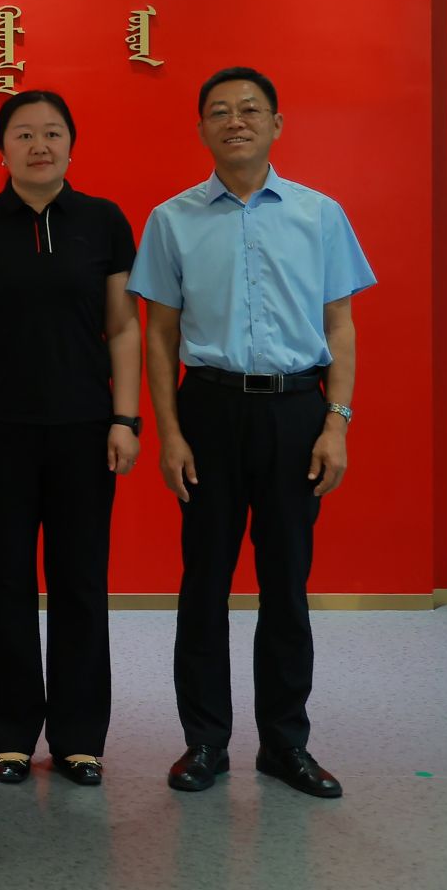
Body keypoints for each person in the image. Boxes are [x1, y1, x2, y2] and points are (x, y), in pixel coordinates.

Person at [128, 66, 374, 800]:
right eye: (219, 111)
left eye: (250, 110)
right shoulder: (171, 220)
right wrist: (170, 434)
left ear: (276, 123)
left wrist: (336, 422)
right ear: (202, 128)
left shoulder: (319, 214)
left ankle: (285, 743)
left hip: (297, 411)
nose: (235, 121)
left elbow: (340, 325)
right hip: (208, 408)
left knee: (286, 584)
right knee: (204, 581)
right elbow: (159, 336)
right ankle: (205, 740)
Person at [0, 91, 141, 788]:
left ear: (72, 144)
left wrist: (125, 418)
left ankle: (80, 736)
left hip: (86, 429)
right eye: (23, 134)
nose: (39, 145)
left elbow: (123, 327)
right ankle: (9, 734)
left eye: (53, 132)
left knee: (81, 580)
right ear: (2, 149)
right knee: (4, 581)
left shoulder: (103, 221)